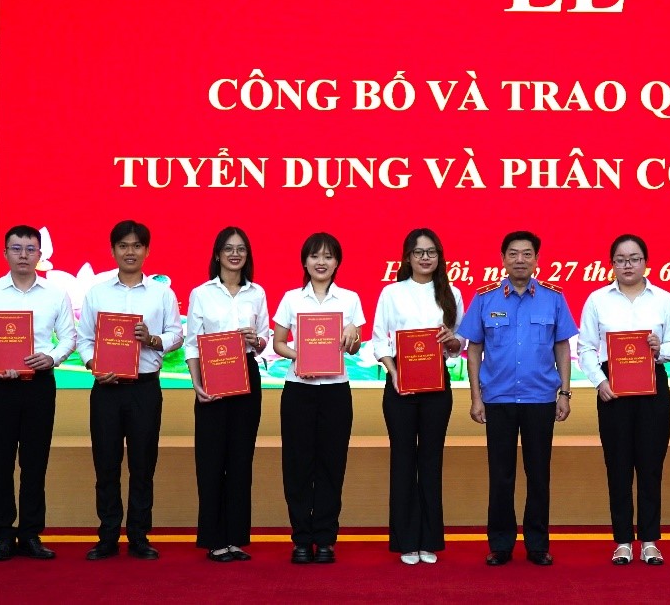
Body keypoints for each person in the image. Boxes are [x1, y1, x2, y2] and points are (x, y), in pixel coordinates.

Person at [459, 231, 579, 567]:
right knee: (501, 476)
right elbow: (474, 350)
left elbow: (562, 348)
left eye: (527, 254)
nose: (520, 260)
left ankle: (537, 544)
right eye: (513, 254)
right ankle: (500, 544)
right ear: (503, 259)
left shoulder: (553, 298)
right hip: (497, 399)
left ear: (537, 260)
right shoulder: (485, 298)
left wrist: (565, 393)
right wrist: (476, 397)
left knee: (538, 474)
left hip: (540, 398)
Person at [0, 224, 78, 561]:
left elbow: (69, 338)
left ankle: (30, 534)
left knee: (34, 463)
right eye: (17, 249)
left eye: (30, 249)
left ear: (40, 255)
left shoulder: (55, 294)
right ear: (5, 253)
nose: (24, 255)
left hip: (39, 386)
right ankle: (3, 535)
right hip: (0, 387)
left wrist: (52, 357)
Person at [577, 234, 670, 566]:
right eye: (621, 260)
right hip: (613, 390)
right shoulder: (597, 300)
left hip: (653, 387)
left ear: (645, 263)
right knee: (618, 466)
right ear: (612, 264)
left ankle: (650, 541)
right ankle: (623, 541)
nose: (628, 265)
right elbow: (585, 348)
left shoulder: (664, 299)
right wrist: (600, 382)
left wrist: (660, 348)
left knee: (651, 467)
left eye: (634, 259)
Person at [77, 219, 181, 560]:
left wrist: (152, 339)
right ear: (113, 251)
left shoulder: (162, 293)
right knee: (105, 465)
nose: (130, 252)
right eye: (123, 246)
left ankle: (138, 536)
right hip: (106, 390)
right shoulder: (97, 292)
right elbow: (84, 339)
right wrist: (93, 364)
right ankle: (107, 536)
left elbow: (176, 334)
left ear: (147, 251)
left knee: (143, 465)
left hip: (144, 389)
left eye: (137, 245)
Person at [372, 228, 464, 565]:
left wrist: (452, 341)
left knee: (430, 460)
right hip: (400, 384)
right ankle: (406, 540)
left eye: (431, 252)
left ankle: (429, 539)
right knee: (403, 459)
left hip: (437, 386)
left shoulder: (452, 293)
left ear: (439, 256)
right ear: (407, 257)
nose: (425, 258)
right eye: (418, 252)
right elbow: (379, 340)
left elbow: (459, 345)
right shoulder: (392, 292)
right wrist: (394, 373)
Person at [271, 232, 364, 565]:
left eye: (328, 256)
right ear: (304, 261)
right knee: (297, 466)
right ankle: (301, 538)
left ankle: (325, 539)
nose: (321, 262)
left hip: (336, 391)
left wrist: (353, 336)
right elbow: (278, 343)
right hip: (299, 389)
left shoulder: (349, 299)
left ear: (337, 262)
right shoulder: (291, 299)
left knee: (331, 465)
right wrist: (302, 358)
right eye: (314, 256)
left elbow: (354, 348)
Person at [183, 226, 270, 562]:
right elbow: (193, 344)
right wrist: (197, 385)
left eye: (241, 249)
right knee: (211, 459)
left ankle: (235, 538)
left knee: (240, 459)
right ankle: (214, 539)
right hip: (212, 376)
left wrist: (255, 340)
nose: (235, 254)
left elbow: (263, 342)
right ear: (217, 254)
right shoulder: (201, 293)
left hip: (246, 374)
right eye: (229, 249)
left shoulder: (257, 293)